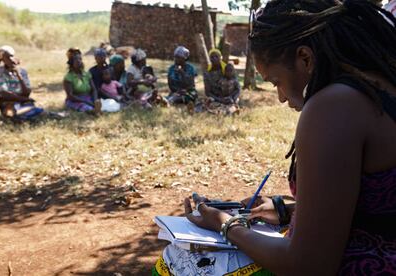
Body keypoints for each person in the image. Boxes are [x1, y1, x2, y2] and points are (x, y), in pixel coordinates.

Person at [154, 0, 396, 275]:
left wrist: (225, 225)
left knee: (173, 264)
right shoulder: (381, 85)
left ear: (305, 59)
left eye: (276, 81)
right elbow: (373, 212)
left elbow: (308, 266)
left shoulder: (333, 107)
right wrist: (287, 210)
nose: (281, 97)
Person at [0, 45, 44, 120]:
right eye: (7, 57)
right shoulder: (0, 71)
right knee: (11, 113)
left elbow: (26, 93)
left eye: (11, 56)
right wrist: (23, 99)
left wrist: (18, 75)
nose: (10, 59)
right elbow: (2, 93)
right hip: (8, 102)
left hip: (22, 101)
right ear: (3, 60)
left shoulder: (22, 71)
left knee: (35, 113)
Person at [63, 48, 101, 113]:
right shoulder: (68, 77)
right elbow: (70, 96)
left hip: (88, 97)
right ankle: (94, 111)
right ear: (71, 62)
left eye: (80, 59)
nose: (78, 61)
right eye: (76, 60)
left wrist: (95, 100)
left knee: (99, 103)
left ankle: (96, 109)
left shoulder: (87, 74)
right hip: (76, 100)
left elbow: (94, 89)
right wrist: (86, 102)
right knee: (84, 106)